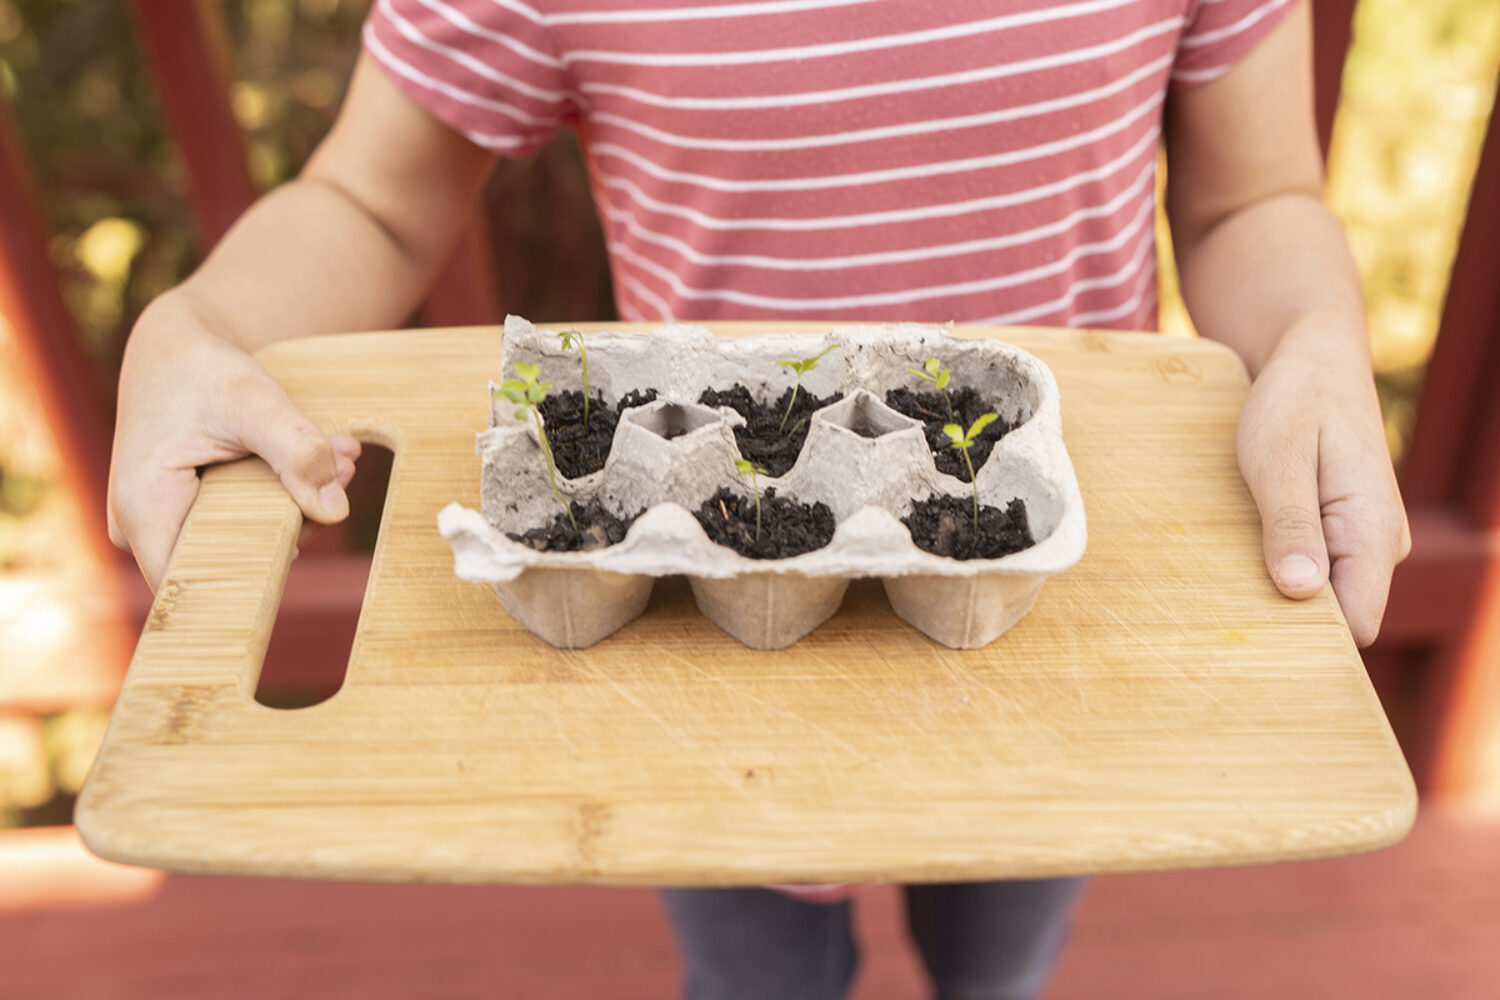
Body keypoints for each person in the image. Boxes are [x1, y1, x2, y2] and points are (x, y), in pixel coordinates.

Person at [107, 1, 1410, 998]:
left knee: (1002, 952)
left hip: (1032, 629)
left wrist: (1311, 330)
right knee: (753, 973)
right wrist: (203, 322)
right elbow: (371, 201)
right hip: (703, 632)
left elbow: (1254, 195)